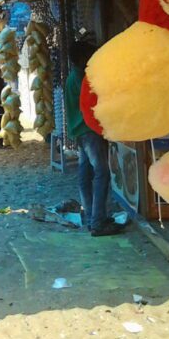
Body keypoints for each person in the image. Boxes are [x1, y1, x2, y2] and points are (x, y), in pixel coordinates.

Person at [65, 42, 124, 237]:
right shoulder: (81, 78)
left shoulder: (73, 77)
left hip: (80, 130)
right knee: (102, 173)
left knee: (86, 173)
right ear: (82, 58)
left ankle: (92, 216)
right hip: (89, 130)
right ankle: (97, 221)